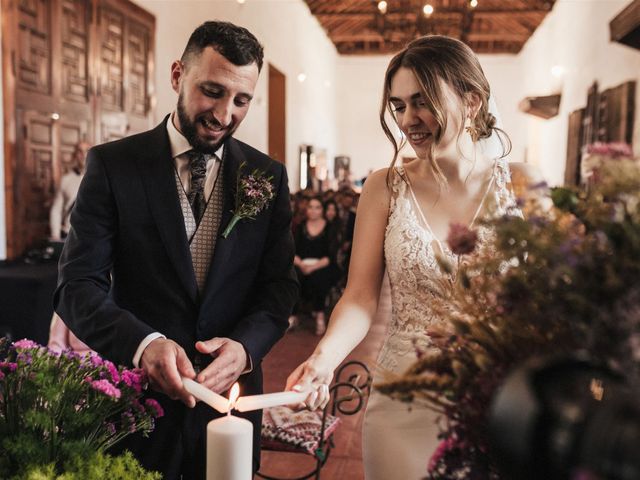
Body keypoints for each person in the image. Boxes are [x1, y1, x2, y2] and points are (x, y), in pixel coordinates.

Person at [285, 35, 544, 480]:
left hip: (500, 397)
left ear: (472, 100)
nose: (408, 119)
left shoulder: (523, 186)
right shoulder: (383, 187)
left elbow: (548, 301)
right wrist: (323, 360)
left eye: (421, 101)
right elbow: (361, 297)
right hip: (403, 399)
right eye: (398, 105)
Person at [54, 21, 298, 480]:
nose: (225, 115)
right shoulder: (113, 166)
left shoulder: (267, 175)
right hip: (137, 408)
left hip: (232, 408)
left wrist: (246, 350)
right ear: (176, 76)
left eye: (241, 100)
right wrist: (143, 345)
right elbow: (76, 287)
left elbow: (280, 288)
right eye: (212, 91)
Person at [290, 197, 337, 335]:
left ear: (322, 210)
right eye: (311, 207)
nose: (313, 210)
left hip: (321, 264)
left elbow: (329, 256)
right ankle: (293, 315)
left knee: (320, 278)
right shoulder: (300, 226)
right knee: (293, 276)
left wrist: (313, 267)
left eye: (317, 207)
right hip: (301, 263)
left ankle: (320, 315)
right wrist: (301, 264)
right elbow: (293, 251)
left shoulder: (329, 227)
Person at [49, 141, 91, 241]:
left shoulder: (101, 180)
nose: (84, 155)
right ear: (75, 155)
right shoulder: (66, 180)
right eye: (80, 151)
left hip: (92, 237)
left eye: (87, 151)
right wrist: (55, 235)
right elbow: (56, 210)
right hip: (70, 236)